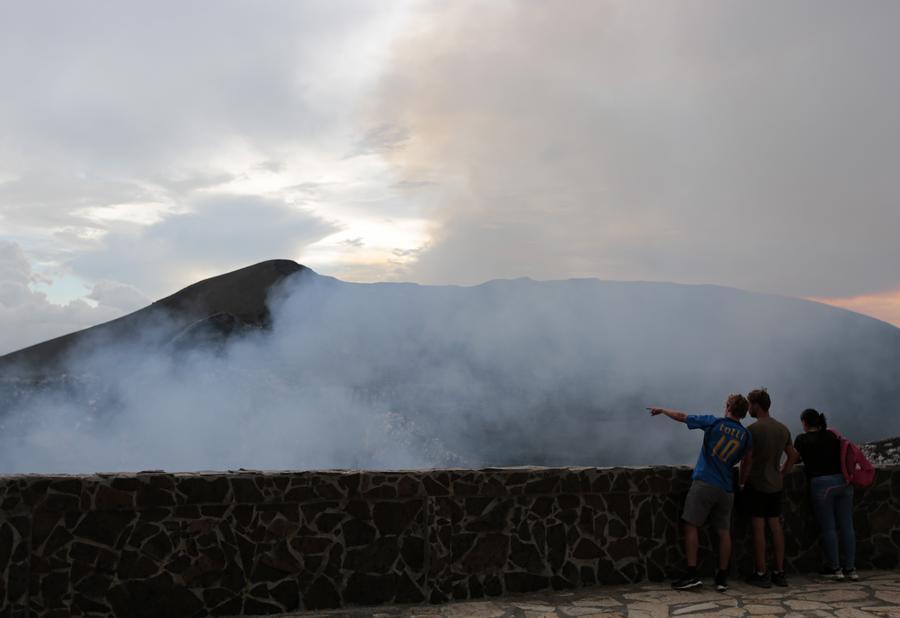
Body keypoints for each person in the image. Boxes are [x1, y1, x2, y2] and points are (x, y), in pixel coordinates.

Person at [648, 394, 752, 592]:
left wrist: (662, 410)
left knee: (691, 525)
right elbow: (747, 462)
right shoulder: (746, 435)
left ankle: (692, 573)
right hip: (727, 488)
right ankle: (721, 578)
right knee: (724, 532)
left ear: (728, 406)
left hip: (705, 482)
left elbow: (682, 416)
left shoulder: (714, 423)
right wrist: (741, 483)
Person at [740, 388, 800, 588]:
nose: (748, 408)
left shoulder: (752, 430)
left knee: (759, 528)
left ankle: (761, 572)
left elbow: (746, 461)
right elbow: (793, 455)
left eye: (750, 404)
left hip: (756, 484)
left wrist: (742, 481)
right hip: (776, 484)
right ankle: (779, 572)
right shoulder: (782, 428)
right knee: (775, 527)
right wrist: (782, 473)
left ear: (756, 405)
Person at [794, 408, 857, 581]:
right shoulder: (832, 436)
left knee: (829, 527)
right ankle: (851, 568)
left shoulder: (802, 439)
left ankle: (835, 568)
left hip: (822, 485)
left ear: (805, 423)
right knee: (847, 526)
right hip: (843, 483)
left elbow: (795, 459)